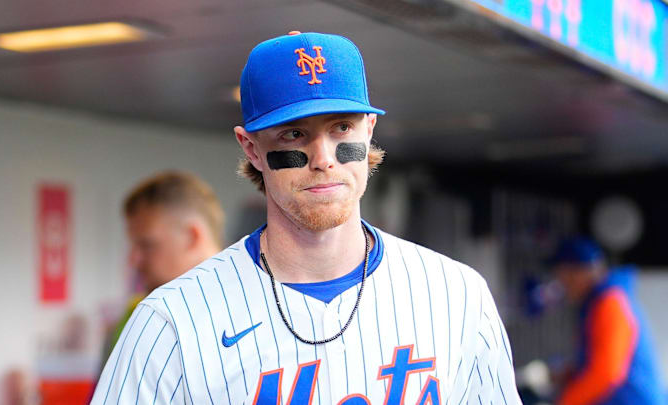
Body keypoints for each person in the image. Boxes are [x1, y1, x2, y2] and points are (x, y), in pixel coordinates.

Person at [92, 31, 520, 404]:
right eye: (294, 134)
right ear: (251, 148)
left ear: (369, 129)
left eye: (341, 128)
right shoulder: (172, 322)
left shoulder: (457, 296)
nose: (323, 159)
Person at [100, 171, 224, 365]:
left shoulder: (255, 313)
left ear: (192, 237)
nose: (134, 260)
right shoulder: (135, 318)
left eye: (147, 245)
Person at [551, 237, 666, 405]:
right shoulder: (598, 301)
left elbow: (607, 371)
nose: (563, 285)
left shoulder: (609, 302)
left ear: (580, 273)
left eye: (565, 276)